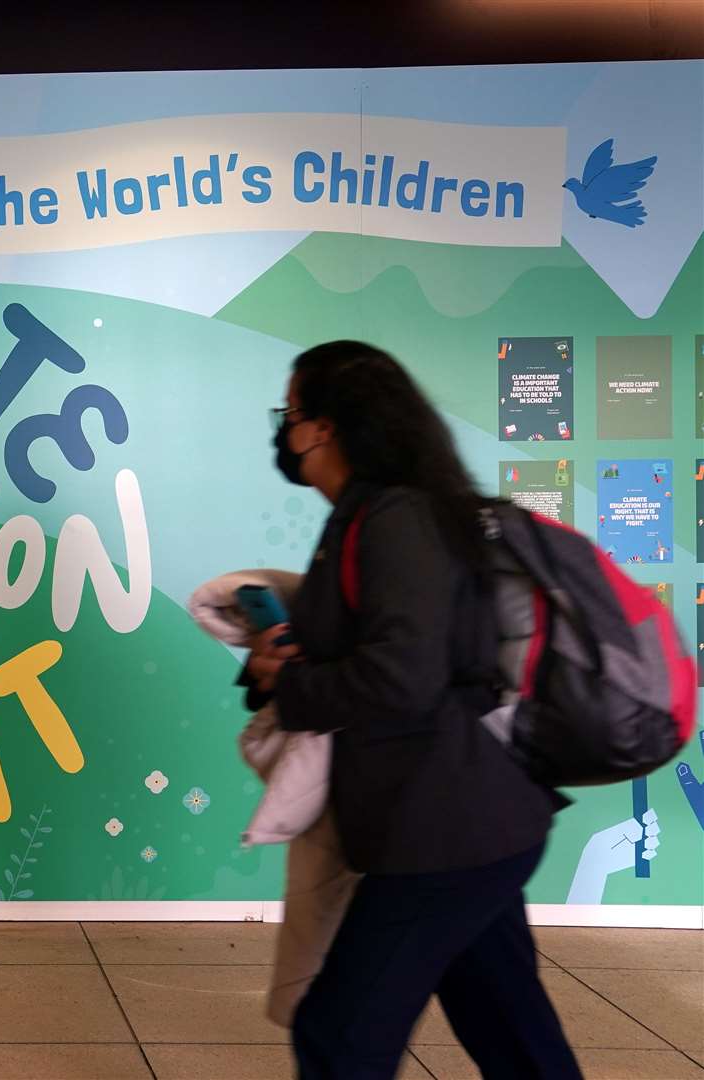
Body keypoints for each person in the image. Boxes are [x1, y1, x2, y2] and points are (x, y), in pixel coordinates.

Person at [244, 341, 581, 1079]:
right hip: (460, 820)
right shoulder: (369, 517)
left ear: (324, 427)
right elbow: (388, 652)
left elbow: (401, 679)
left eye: (290, 412)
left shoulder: (397, 517)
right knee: (512, 1033)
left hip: (443, 829)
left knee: (337, 1035)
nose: (284, 430)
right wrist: (274, 668)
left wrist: (292, 686)